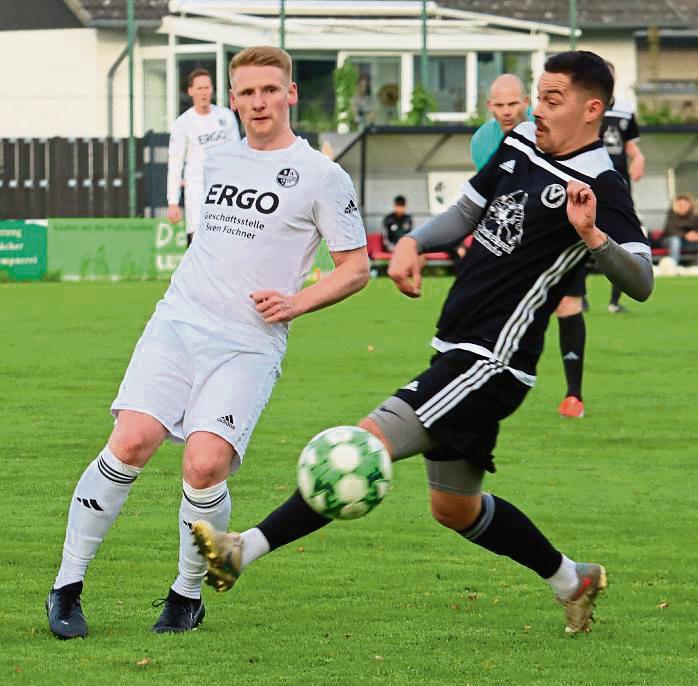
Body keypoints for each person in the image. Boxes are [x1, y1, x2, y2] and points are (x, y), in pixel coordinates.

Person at [192, 51, 653, 635]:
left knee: (359, 446)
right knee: (453, 508)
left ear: (593, 110)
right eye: (537, 96)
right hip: (458, 350)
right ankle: (573, 580)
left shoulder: (602, 185)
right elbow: (464, 213)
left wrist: (593, 236)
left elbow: (640, 280)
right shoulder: (518, 149)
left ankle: (242, 550)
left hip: (493, 361)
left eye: (551, 100)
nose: (537, 109)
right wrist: (411, 242)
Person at [46, 46, 369, 639]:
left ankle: (186, 595)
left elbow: (355, 267)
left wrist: (297, 302)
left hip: (249, 343)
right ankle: (67, 584)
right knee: (131, 441)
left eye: (270, 90)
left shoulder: (323, 175)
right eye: (246, 92)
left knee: (205, 463)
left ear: (290, 93)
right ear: (233, 99)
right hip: (178, 322)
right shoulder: (216, 157)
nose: (258, 102)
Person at [470, 74, 586, 418]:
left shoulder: (551, 130)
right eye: (499, 106)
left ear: (526, 102)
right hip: (512, 233)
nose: (507, 112)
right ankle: (485, 384)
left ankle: (574, 395)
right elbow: (491, 196)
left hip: (559, 231)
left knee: (567, 304)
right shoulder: (482, 141)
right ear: (490, 106)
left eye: (513, 104)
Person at [167, 68, 241, 246]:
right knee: (198, 239)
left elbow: (238, 154)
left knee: (228, 239)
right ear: (190, 91)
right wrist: (173, 202)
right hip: (197, 188)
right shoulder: (183, 123)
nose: (204, 92)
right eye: (199, 88)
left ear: (212, 89)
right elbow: (175, 165)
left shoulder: (226, 116)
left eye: (207, 87)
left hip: (226, 188)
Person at [601, 63, 646, 313]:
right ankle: (577, 297)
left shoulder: (626, 109)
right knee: (577, 235)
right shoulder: (585, 107)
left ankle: (615, 301)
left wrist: (638, 158)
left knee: (623, 239)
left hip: (618, 185)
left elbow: (630, 147)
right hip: (589, 182)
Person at [663, 193, 698, 264]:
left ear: (689, 205)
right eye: (680, 204)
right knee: (675, 240)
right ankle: (673, 266)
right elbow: (670, 230)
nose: (682, 206)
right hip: (669, 241)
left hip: (687, 243)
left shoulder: (694, 216)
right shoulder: (671, 214)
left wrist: (695, 235)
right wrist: (685, 235)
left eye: (685, 204)